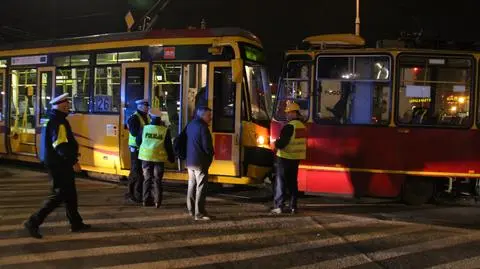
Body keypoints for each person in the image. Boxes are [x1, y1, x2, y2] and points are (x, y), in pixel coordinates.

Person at [24, 93, 90, 239]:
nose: (69, 107)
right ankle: (33, 222)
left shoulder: (53, 119)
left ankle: (76, 223)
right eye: (67, 105)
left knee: (70, 194)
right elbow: (60, 145)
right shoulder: (59, 122)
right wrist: (74, 162)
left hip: (56, 162)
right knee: (59, 194)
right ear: (61, 105)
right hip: (59, 163)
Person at [271, 102, 307, 215]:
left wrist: (275, 143)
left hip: (285, 158)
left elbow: (282, 143)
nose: (286, 115)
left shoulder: (289, 126)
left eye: (288, 113)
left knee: (280, 183)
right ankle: (293, 207)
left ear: (293, 113)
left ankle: (279, 206)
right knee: (292, 183)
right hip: (296, 159)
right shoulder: (302, 126)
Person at [137, 109, 175, 208]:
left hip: (146, 158)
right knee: (157, 180)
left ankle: (145, 200)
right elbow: (168, 146)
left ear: (150, 117)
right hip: (159, 159)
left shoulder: (144, 128)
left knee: (147, 179)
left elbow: (138, 142)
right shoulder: (165, 130)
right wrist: (172, 158)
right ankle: (157, 201)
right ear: (160, 118)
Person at [186, 106, 214, 221]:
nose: (210, 118)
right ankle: (199, 213)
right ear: (202, 115)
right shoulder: (203, 128)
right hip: (200, 162)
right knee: (201, 187)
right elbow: (207, 146)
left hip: (190, 161)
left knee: (191, 185)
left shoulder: (191, 124)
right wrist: (211, 153)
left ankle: (191, 210)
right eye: (208, 115)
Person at [126, 99, 151, 203]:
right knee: (136, 173)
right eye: (146, 106)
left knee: (139, 172)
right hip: (135, 149)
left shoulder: (146, 117)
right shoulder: (134, 118)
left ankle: (136, 193)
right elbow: (135, 133)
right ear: (140, 107)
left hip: (143, 148)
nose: (147, 108)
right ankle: (134, 195)